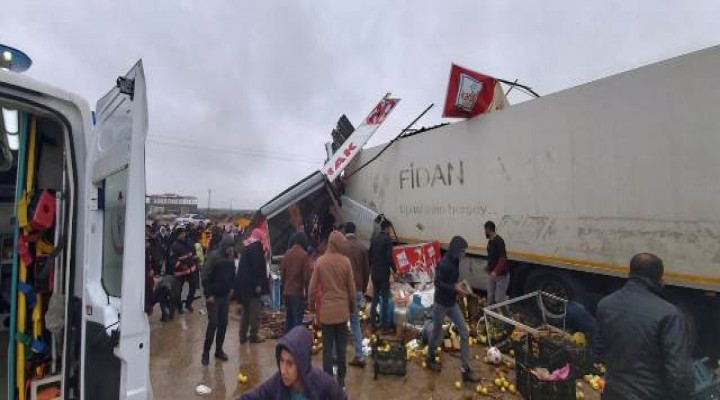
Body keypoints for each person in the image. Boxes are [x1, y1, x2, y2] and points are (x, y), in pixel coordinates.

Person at [596, 253, 692, 400]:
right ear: (660, 279)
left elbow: (598, 349)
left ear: (630, 273)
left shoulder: (605, 304)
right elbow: (678, 374)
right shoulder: (670, 314)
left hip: (613, 393)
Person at [425, 236, 480, 383]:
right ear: (456, 250)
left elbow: (452, 281)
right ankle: (430, 358)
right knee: (436, 333)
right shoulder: (444, 264)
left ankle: (465, 369)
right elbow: (437, 282)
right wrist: (453, 287)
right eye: (463, 251)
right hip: (441, 304)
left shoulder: (455, 261)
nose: (464, 254)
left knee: (464, 332)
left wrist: (460, 287)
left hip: (452, 303)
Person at [238, 326, 347, 400]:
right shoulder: (277, 382)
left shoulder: (324, 385)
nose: (283, 370)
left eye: (290, 364)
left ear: (302, 363)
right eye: (281, 361)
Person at [308, 231, 355, 389]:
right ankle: (341, 379)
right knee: (341, 347)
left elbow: (312, 289)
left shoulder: (320, 262)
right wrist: (352, 307)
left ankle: (327, 381)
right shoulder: (346, 262)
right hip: (342, 312)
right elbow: (352, 289)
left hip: (326, 312)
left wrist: (311, 307)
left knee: (327, 348)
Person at [200, 235, 236, 366]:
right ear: (225, 246)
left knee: (223, 324)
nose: (231, 250)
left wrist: (232, 288)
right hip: (213, 298)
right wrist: (208, 294)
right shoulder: (214, 257)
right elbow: (204, 276)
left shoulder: (230, 257)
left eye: (232, 247)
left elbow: (233, 274)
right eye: (230, 247)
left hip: (225, 297)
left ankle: (219, 350)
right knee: (213, 324)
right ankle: (205, 352)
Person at [343, 222, 370, 368]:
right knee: (355, 323)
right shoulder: (362, 248)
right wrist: (364, 287)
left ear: (345, 232)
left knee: (340, 322)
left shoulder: (342, 247)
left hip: (344, 290)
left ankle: (336, 355)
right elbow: (367, 271)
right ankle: (359, 356)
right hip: (358, 290)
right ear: (355, 231)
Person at [236, 228, 270, 344]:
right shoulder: (255, 248)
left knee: (246, 311)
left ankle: (242, 335)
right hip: (252, 287)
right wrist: (258, 284)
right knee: (255, 312)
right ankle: (253, 335)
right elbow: (257, 269)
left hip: (244, 287)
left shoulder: (247, 247)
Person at [281, 232, 312, 332]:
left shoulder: (287, 254)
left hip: (287, 292)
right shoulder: (304, 255)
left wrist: (283, 289)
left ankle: (286, 344)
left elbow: (283, 275)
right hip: (297, 293)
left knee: (288, 320)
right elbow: (306, 278)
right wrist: (307, 295)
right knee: (297, 321)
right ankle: (294, 345)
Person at [369, 220, 395, 333]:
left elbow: (369, 255)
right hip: (384, 274)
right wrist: (395, 270)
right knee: (384, 300)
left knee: (374, 300)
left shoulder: (374, 239)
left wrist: (372, 268)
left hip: (374, 273)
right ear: (387, 228)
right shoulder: (387, 240)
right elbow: (389, 258)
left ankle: (373, 325)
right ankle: (385, 327)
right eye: (390, 229)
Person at [170, 227, 200, 313]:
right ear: (178, 235)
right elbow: (173, 260)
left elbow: (194, 254)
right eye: (181, 234)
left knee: (193, 287)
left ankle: (188, 303)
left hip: (191, 270)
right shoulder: (174, 246)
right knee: (178, 291)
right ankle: (179, 307)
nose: (183, 235)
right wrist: (181, 266)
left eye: (184, 233)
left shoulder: (190, 242)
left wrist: (197, 262)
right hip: (180, 273)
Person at [484, 221, 509, 305]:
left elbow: (503, 258)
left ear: (489, 230)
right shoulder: (490, 242)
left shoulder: (499, 241)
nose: (484, 233)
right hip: (491, 274)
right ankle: (489, 316)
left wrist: (496, 271)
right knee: (490, 297)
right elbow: (491, 257)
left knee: (499, 300)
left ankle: (504, 313)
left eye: (485, 230)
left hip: (501, 275)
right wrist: (488, 268)